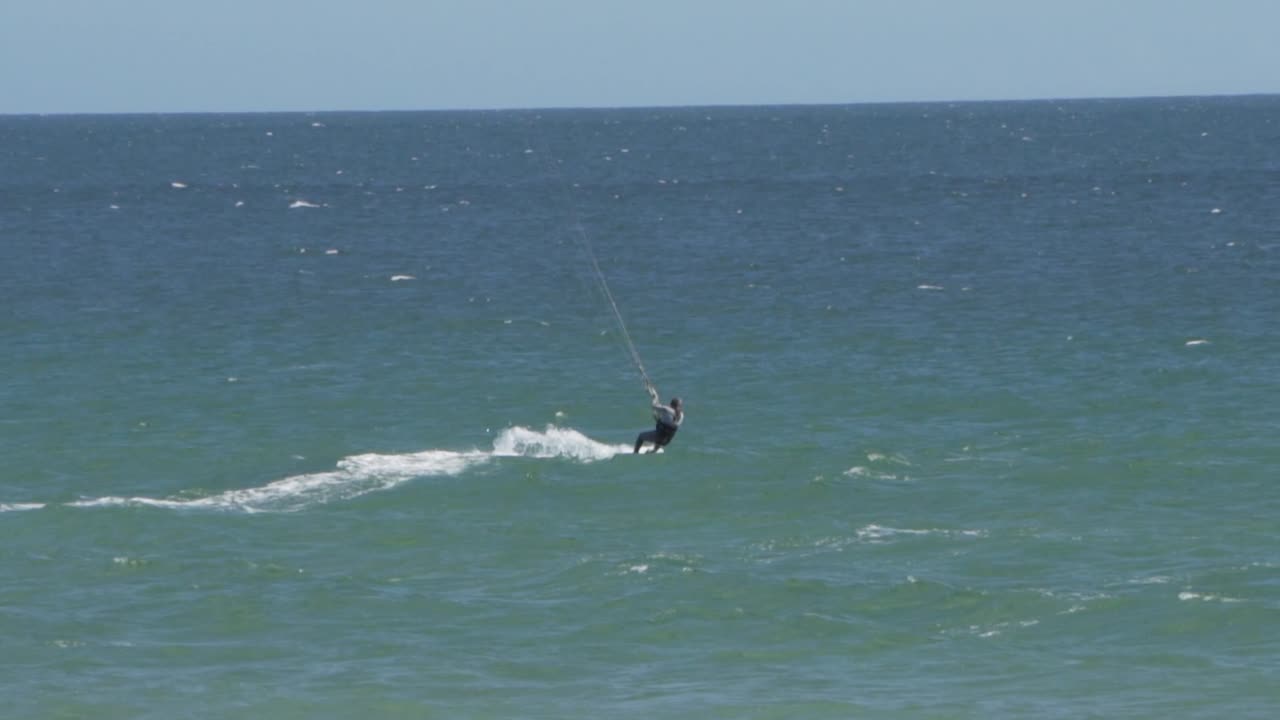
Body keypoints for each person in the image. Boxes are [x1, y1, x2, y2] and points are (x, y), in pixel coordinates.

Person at [634, 386, 683, 454]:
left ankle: (635, 453)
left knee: (641, 436)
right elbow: (668, 425)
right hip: (667, 441)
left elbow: (654, 406)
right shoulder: (681, 415)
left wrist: (655, 396)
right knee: (663, 432)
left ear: (671, 404)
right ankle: (654, 450)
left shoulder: (666, 409)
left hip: (659, 437)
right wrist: (658, 419)